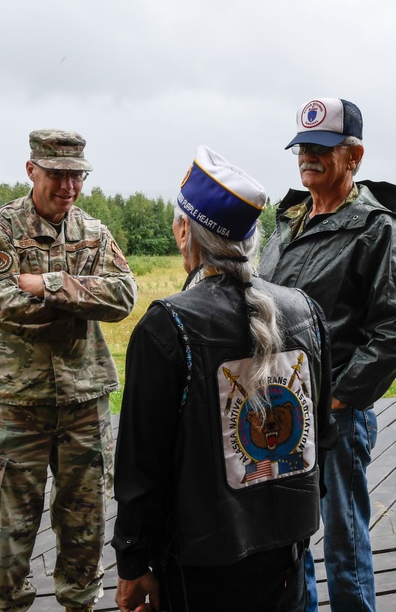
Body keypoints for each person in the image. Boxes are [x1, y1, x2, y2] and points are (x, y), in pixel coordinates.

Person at [112, 146, 336, 612]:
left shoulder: (166, 326)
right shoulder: (305, 310)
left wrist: (133, 563)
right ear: (252, 240)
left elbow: (141, 467)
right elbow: (320, 437)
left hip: (201, 569)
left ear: (183, 232)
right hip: (289, 554)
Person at [259, 98, 396, 611]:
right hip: (281, 407)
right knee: (288, 533)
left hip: (335, 417)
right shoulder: (291, 221)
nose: (308, 157)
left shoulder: (376, 230)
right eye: (302, 148)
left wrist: (339, 397)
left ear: (353, 156)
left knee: (344, 542)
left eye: (323, 148)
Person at [0, 129, 137, 612]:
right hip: (14, 407)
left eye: (76, 176)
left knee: (87, 527)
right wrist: (83, 297)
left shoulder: (94, 232)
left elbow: (124, 296)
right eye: (57, 175)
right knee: (7, 530)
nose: (68, 186)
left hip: (84, 404)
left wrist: (48, 283)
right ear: (31, 170)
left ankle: (80, 604)